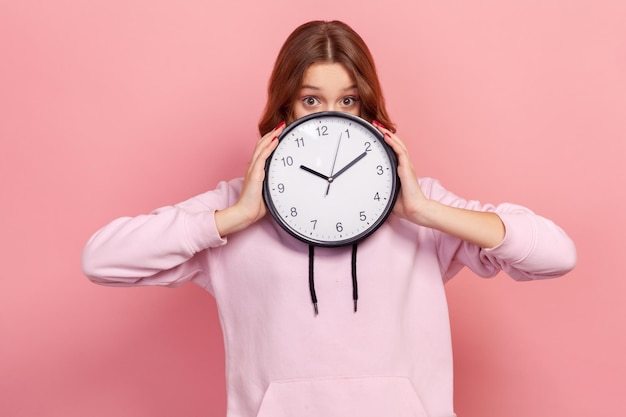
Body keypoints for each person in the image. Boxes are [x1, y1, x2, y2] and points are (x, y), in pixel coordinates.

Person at [82, 20, 576, 417]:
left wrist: (423, 209)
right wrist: (233, 217)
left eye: (348, 100)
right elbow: (102, 260)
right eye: (311, 99)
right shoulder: (234, 207)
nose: (331, 116)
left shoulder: (420, 207)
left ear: (368, 112)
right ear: (286, 109)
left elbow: (556, 255)